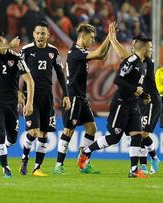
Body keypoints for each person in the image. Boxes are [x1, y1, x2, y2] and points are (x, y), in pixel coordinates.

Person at [78, 25, 153, 178]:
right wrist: (134, 90)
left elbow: (135, 84)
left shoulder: (142, 64)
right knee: (114, 138)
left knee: (137, 134)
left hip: (133, 104)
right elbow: (118, 79)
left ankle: (133, 171)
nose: (151, 50)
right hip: (121, 103)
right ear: (144, 49)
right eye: (150, 47)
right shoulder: (132, 61)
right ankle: (85, 152)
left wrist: (143, 95)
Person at [53, 23, 111, 174]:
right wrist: (109, 37)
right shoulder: (75, 52)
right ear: (82, 36)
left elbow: (102, 54)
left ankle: (83, 162)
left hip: (81, 98)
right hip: (72, 97)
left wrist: (111, 40)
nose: (92, 40)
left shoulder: (82, 51)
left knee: (92, 128)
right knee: (68, 130)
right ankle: (58, 165)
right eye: (91, 37)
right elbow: (98, 54)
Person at [19, 21, 71, 177]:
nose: (40, 36)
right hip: (30, 96)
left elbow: (60, 74)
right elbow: (17, 71)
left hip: (47, 97)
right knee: (33, 132)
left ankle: (37, 168)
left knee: (44, 134)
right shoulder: (26, 50)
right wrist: (18, 90)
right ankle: (24, 158)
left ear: (48, 35)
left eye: (43, 33)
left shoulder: (53, 51)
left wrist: (66, 94)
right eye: (38, 33)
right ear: (34, 34)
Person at [106, 34, 160, 175]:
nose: (132, 49)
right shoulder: (136, 61)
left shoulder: (146, 62)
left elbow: (125, 56)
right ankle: (140, 168)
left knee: (143, 133)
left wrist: (113, 41)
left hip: (151, 100)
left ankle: (152, 159)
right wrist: (113, 40)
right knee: (138, 133)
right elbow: (126, 60)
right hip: (140, 99)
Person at [0, 31, 34, 178]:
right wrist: (9, 45)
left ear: (4, 41)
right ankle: (6, 168)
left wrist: (29, 103)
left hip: (12, 103)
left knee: (12, 138)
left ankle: (3, 148)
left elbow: (30, 81)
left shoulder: (16, 57)